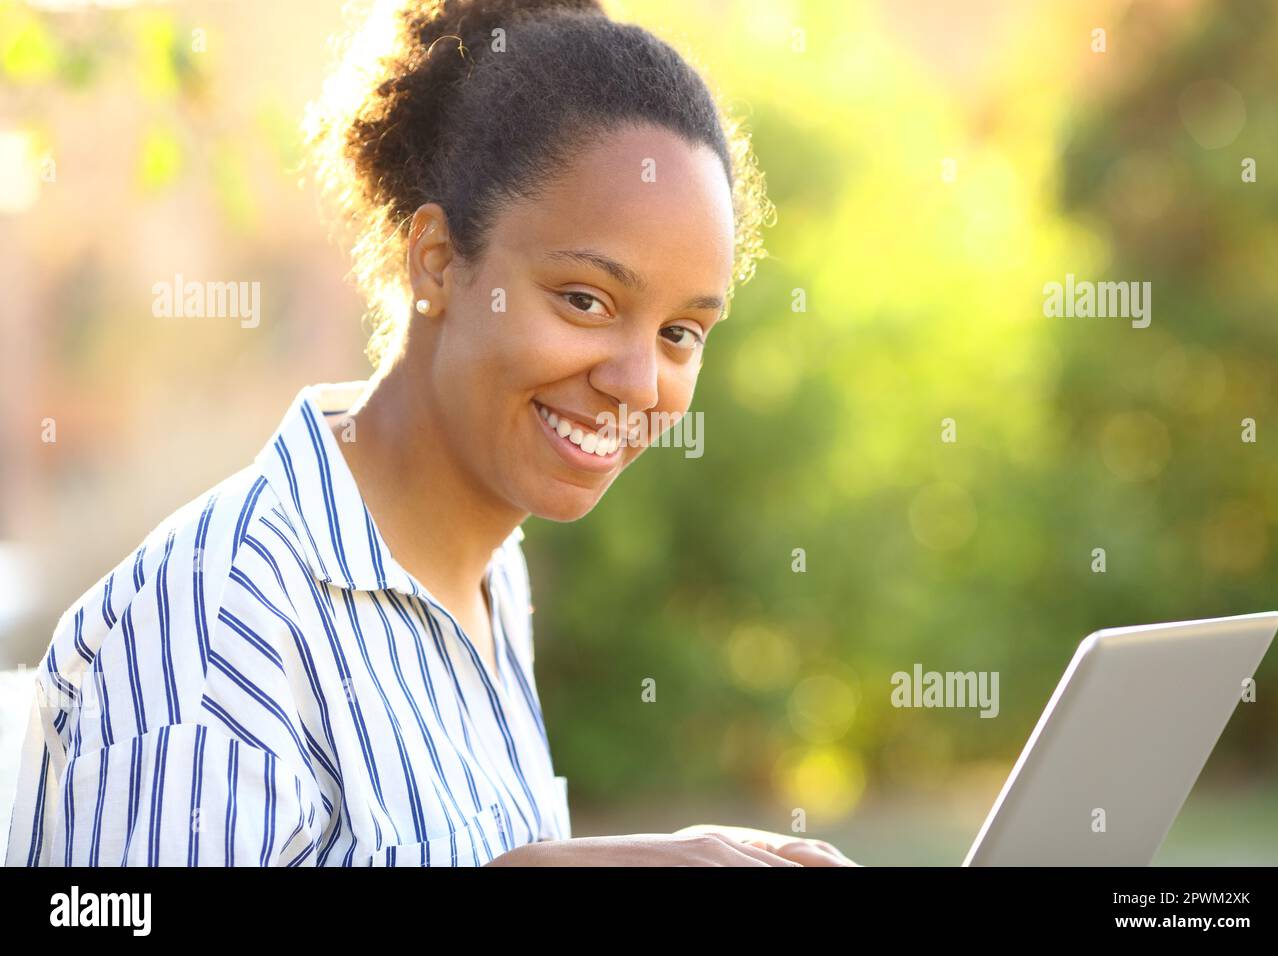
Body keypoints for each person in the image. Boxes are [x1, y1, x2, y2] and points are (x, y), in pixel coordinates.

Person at [5, 0, 857, 867]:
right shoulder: (219, 619)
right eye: (584, 300)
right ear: (439, 264)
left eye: (681, 333)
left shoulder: (492, 579)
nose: (639, 382)